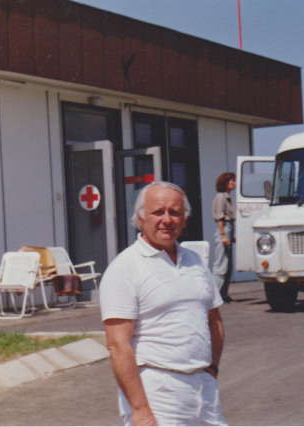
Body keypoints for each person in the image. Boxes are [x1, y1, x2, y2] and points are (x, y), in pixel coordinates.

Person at [100, 181, 226, 426]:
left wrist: (212, 371)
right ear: (140, 218)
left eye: (175, 212)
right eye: (158, 212)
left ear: (184, 220)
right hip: (158, 392)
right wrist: (141, 410)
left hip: (204, 388)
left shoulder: (195, 261)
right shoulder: (125, 268)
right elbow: (118, 345)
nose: (167, 219)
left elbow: (214, 320)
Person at [211, 172, 236, 302]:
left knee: (228, 265)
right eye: (232, 181)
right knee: (221, 265)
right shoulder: (221, 197)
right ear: (226, 183)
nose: (234, 183)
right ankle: (215, 295)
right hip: (224, 229)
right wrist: (223, 235)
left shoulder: (228, 198)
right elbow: (220, 218)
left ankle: (223, 294)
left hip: (229, 229)